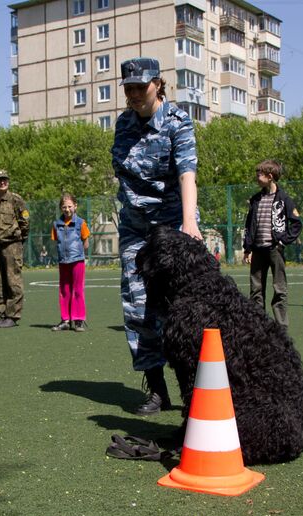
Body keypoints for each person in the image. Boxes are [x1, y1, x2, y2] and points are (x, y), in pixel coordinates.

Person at [112, 57, 202, 415]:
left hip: (172, 224)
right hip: (136, 227)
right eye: (128, 88)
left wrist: (188, 223)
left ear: (158, 84)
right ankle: (158, 391)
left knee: (182, 307)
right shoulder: (123, 124)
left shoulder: (177, 121)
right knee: (137, 306)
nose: (134, 94)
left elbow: (187, 173)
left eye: (140, 86)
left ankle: (196, 385)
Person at [243, 159, 302, 328]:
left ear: (270, 176)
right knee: (256, 290)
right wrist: (247, 248)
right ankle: (257, 325)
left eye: (259, 174)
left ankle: (281, 327)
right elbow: (249, 225)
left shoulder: (284, 199)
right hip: (258, 251)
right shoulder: (255, 200)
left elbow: (297, 223)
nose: (257, 177)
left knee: (279, 289)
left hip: (275, 250)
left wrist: (283, 240)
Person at [0, 169, 29, 328]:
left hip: (11, 245)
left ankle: (13, 315)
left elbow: (25, 222)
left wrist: (18, 240)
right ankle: (2, 314)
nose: (3, 182)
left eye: (5, 179)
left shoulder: (16, 200)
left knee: (12, 280)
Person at [50, 193, 90, 333]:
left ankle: (78, 320)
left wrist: (80, 255)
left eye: (69, 206)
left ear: (75, 206)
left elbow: (86, 241)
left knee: (78, 290)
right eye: (64, 207)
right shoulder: (57, 224)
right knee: (64, 290)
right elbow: (56, 241)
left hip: (77, 260)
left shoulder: (81, 223)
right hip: (63, 262)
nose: (67, 209)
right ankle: (65, 320)